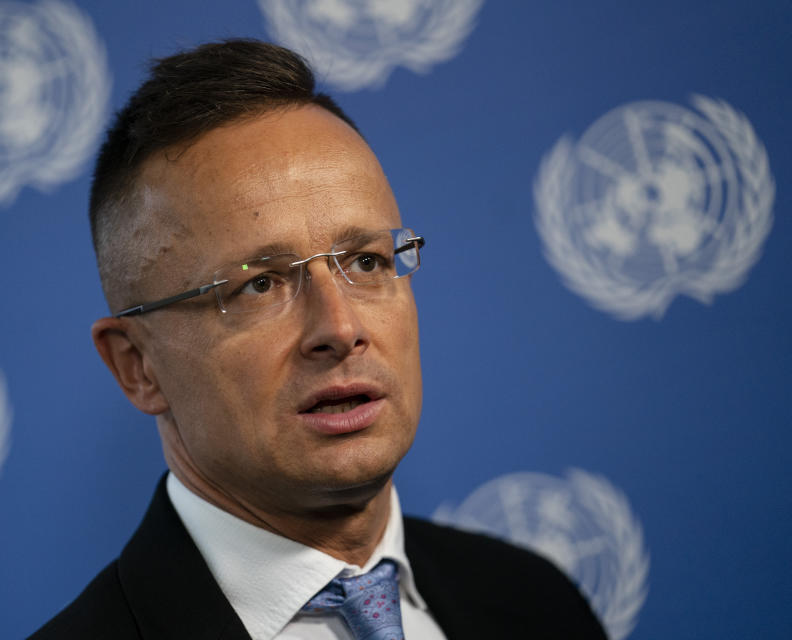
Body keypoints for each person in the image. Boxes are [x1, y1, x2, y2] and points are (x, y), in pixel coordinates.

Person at [30, 39, 606, 640]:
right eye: (259, 286)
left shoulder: (536, 602)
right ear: (138, 366)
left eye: (366, 261)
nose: (341, 328)